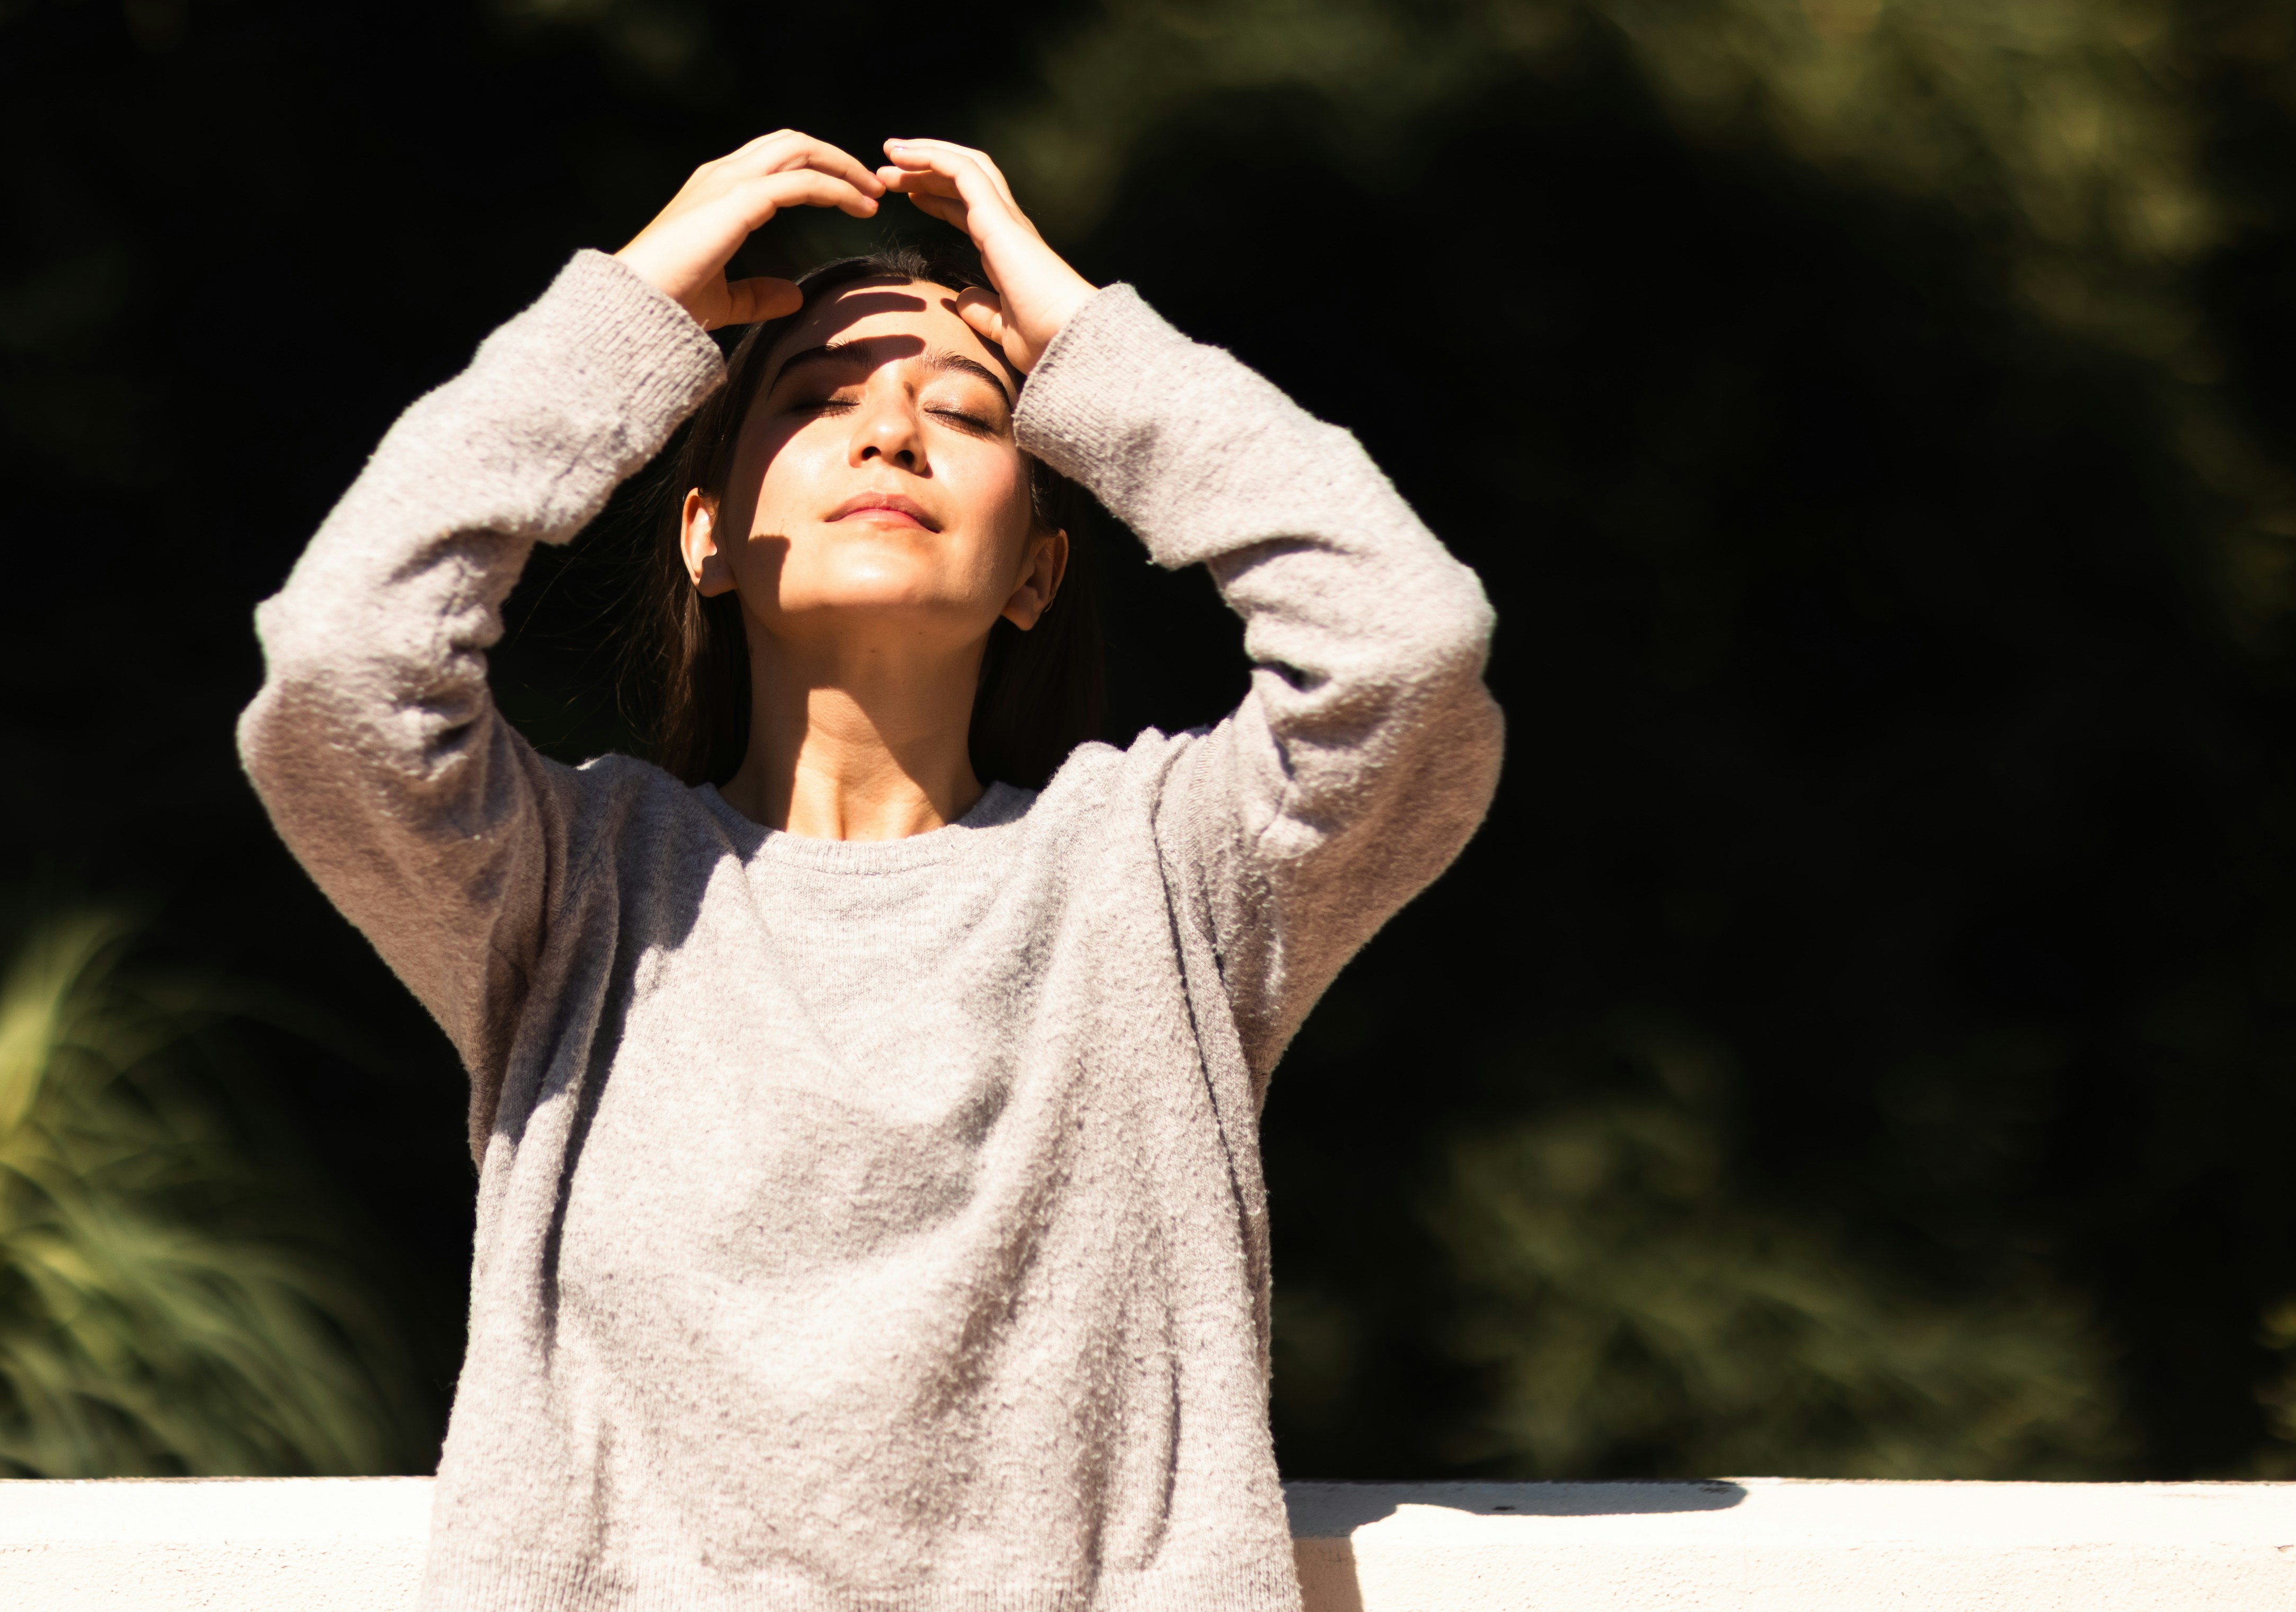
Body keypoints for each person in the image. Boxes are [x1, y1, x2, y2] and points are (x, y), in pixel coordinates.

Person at [240, 131, 1504, 1611]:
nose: (890, 433)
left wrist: (1094, 345)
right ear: (703, 532)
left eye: (967, 413)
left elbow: (1405, 648)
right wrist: (626, 315)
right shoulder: (571, 886)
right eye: (817, 399)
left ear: (1036, 567)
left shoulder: (1163, 874)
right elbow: (341, 665)